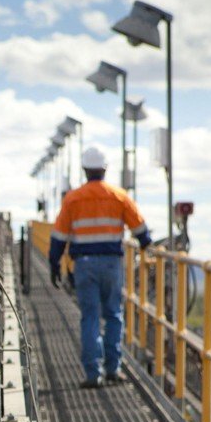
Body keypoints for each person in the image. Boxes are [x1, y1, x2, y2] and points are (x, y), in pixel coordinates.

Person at [48, 146, 151, 389]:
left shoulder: (73, 199)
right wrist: (146, 245)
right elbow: (141, 233)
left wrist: (54, 264)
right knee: (114, 315)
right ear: (104, 169)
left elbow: (59, 236)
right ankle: (114, 369)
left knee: (90, 317)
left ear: (85, 170)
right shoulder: (119, 196)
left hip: (84, 265)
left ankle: (94, 373)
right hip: (112, 265)